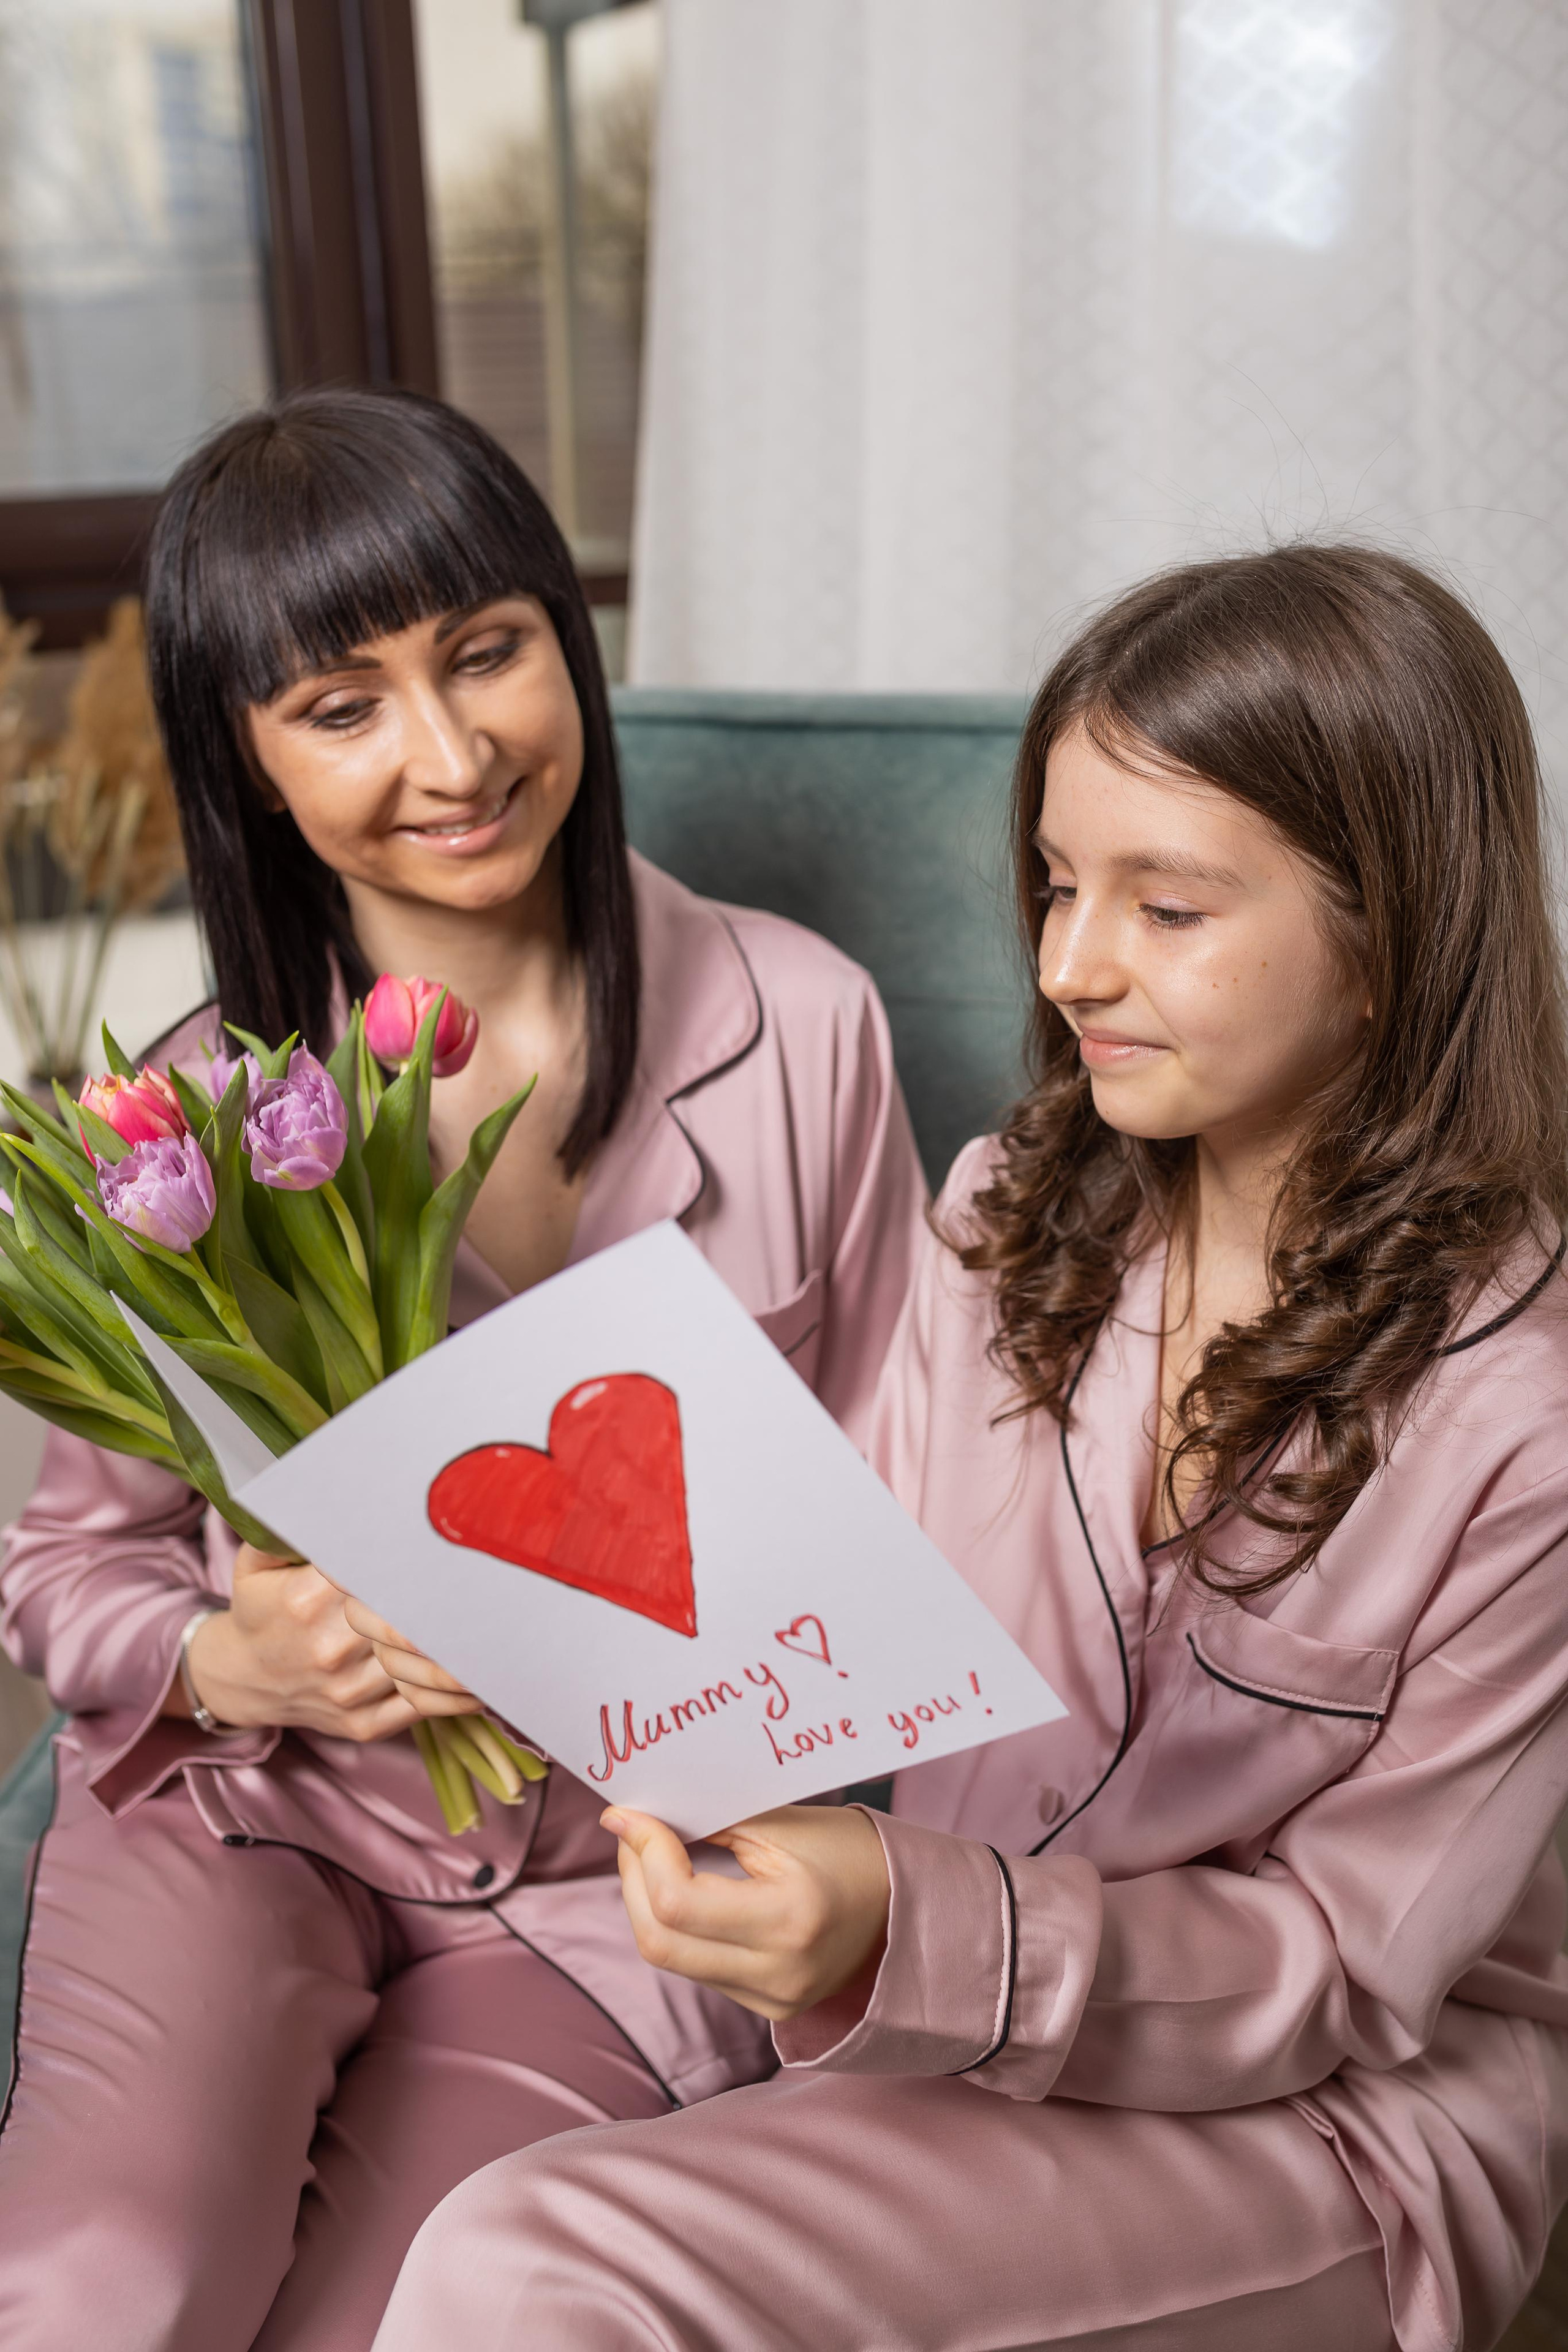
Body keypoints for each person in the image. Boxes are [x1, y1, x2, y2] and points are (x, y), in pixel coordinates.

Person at [374, 545, 1568, 2352]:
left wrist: (907, 1930)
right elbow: (852, 1630)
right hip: (959, 2051)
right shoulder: (1010, 1211)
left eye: (1167, 910)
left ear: (1395, 931)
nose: (1069, 961)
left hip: (1334, 2123)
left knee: (536, 2261)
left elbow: (1347, 1969)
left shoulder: (1524, 1421)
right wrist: (537, 1634)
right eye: (1058, 881)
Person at [0, 387, 927, 2351]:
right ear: (247, 766)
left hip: (624, 1883)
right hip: (257, 1815)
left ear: (562, 650)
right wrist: (226, 1657)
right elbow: (66, 1567)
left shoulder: (810, 1028)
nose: (452, 754)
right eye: (342, 705)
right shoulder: (184, 1117)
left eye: (487, 653)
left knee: (394, 2320)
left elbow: (914, 1516)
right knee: (102, 2293)